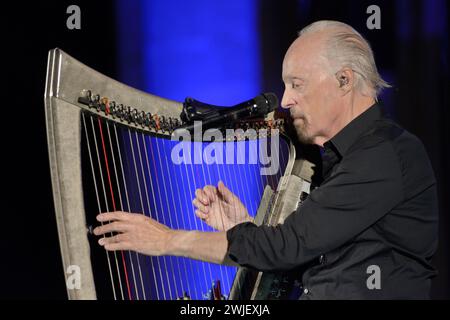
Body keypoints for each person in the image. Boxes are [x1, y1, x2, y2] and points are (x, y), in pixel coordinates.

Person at [93, 20, 439, 299]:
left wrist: (167, 240)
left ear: (344, 80)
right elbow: (300, 253)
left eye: (297, 84)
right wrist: (241, 228)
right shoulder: (342, 159)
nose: (286, 99)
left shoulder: (385, 154)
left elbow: (287, 247)